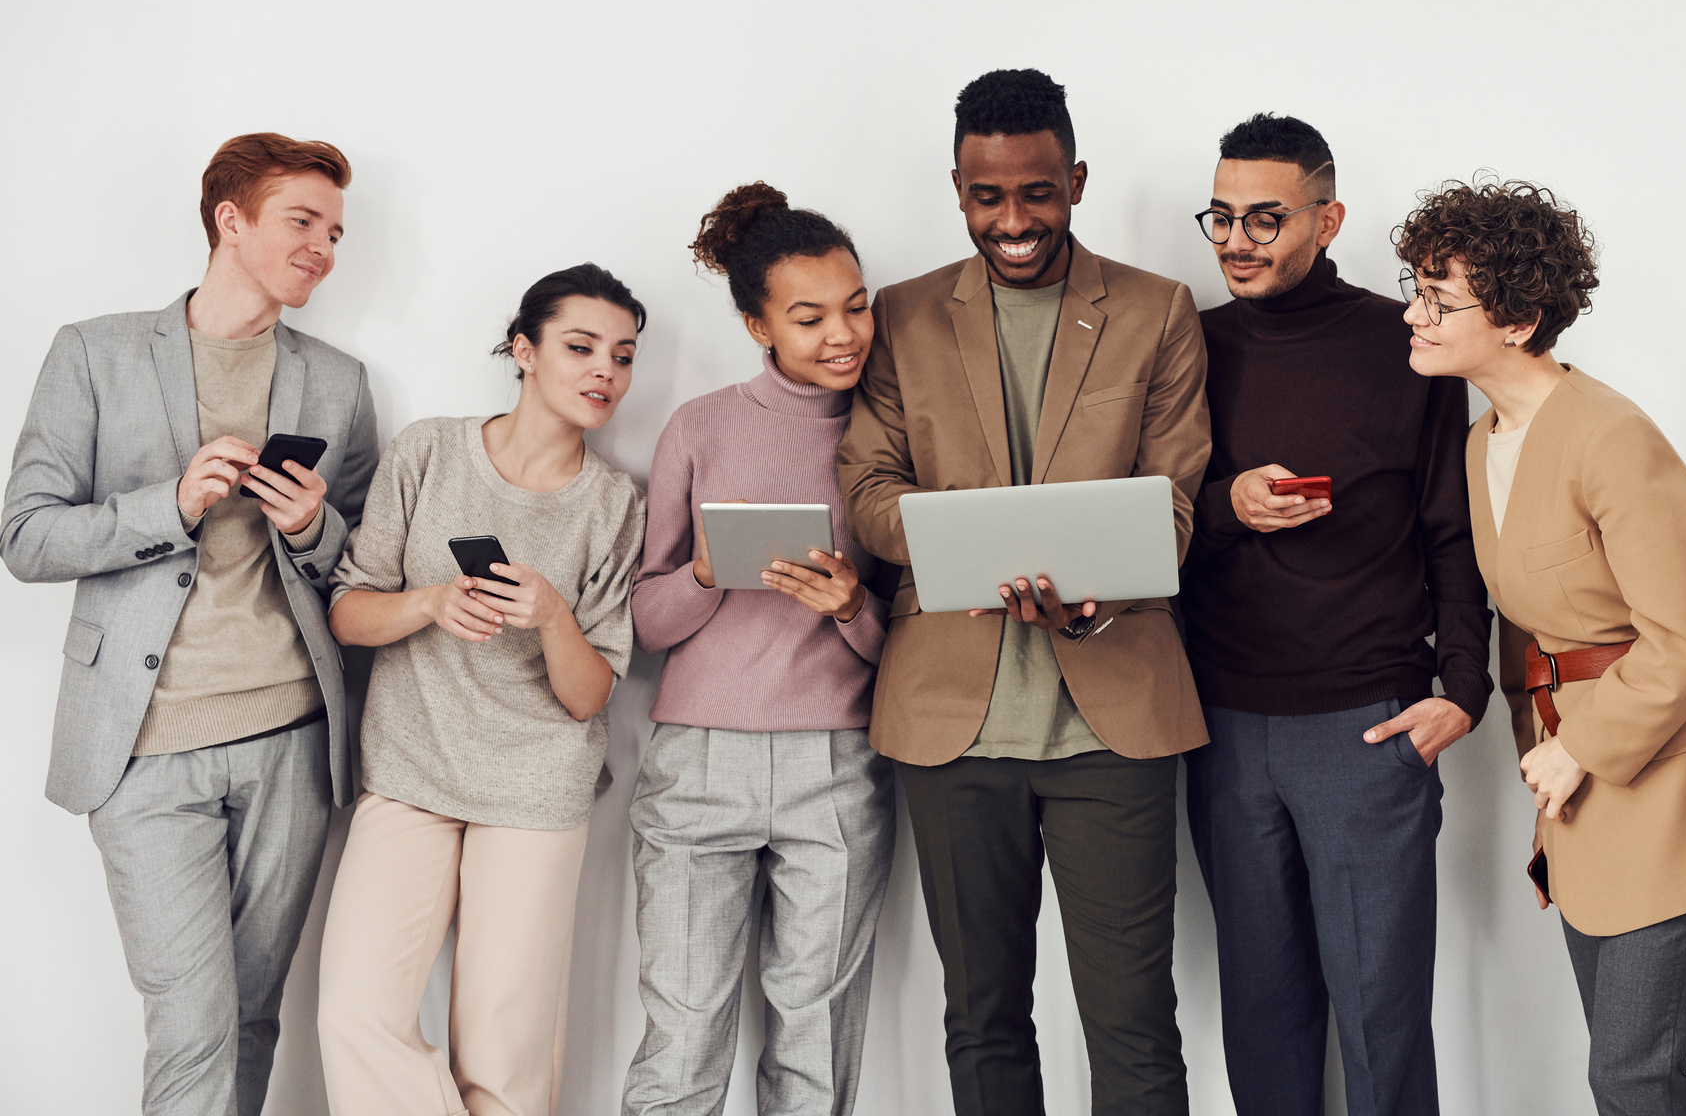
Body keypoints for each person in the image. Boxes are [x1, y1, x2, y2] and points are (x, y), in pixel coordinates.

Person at [839, 68, 1210, 1116]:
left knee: (1133, 1025)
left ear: (1076, 181)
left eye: (1037, 193)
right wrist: (967, 543)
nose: (1013, 221)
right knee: (983, 1019)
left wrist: (1096, 588)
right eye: (987, 196)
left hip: (1114, 724)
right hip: (951, 726)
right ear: (958, 189)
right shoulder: (903, 315)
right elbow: (866, 489)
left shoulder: (1157, 309)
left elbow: (1176, 504)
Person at [1, 133, 376, 1116]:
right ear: (230, 220)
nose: (323, 248)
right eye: (303, 221)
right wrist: (166, 505)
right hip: (143, 746)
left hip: (292, 741)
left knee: (250, 1018)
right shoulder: (96, 352)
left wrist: (314, 526)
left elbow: (364, 567)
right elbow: (25, 537)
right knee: (194, 1021)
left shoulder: (339, 382)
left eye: (336, 233)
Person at [1398, 178, 1686, 1116]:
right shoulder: (1483, 441)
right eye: (1416, 290)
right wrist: (1545, 756)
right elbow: (1530, 627)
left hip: (1671, 782)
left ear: (1519, 321)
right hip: (1575, 791)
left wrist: (1577, 749)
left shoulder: (1613, 438)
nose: (1412, 314)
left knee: (1631, 1075)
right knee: (1623, 1075)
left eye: (1439, 300)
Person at [1179, 114, 1492, 1116]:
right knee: (1262, 1021)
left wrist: (1465, 688)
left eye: (1265, 218)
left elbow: (1452, 529)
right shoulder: (1187, 344)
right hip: (1223, 724)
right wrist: (1227, 507)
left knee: (1381, 1022)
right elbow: (1145, 517)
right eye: (1221, 217)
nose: (1237, 240)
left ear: (1328, 219)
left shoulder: (1402, 345)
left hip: (1368, 723)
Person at [315, 263, 648, 1116]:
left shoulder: (615, 503)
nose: (605, 371)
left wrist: (553, 616)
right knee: (354, 1016)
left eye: (622, 355)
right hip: (410, 772)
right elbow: (347, 614)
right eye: (581, 347)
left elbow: (589, 697)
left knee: (505, 1059)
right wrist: (430, 603)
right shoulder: (429, 450)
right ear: (522, 350)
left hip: (535, 791)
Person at [622, 183, 895, 1116]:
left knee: (816, 1039)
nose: (843, 335)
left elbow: (918, 628)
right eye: (809, 318)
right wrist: (705, 574)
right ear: (757, 326)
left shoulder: (893, 430)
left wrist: (853, 606)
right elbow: (646, 620)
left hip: (839, 762)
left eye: (856, 306)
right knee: (682, 1037)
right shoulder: (700, 426)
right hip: (699, 762)